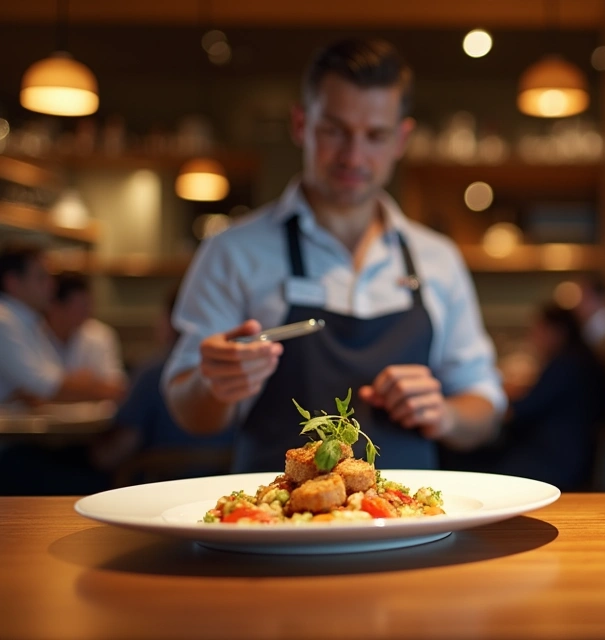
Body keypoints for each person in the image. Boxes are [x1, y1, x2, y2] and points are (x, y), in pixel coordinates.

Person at [163, 38, 505, 472]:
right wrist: (215, 384)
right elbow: (186, 408)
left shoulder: (438, 258)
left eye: (375, 136)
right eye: (334, 130)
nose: (353, 156)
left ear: (402, 138)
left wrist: (447, 413)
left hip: (408, 522)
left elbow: (485, 406)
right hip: (273, 525)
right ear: (301, 124)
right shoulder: (232, 251)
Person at [440, 304, 605, 491]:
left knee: (466, 459)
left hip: (553, 460)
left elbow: (525, 410)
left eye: (538, 330)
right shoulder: (579, 359)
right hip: (569, 453)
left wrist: (490, 402)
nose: (534, 338)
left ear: (557, 331)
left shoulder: (566, 365)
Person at [93, 285, 235, 480]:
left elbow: (122, 445)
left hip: (156, 487)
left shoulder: (154, 372)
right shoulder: (237, 370)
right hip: (222, 486)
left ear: (172, 320)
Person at [0, 244, 125, 406]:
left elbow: (53, 380)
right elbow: (46, 387)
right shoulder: (4, 322)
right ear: (12, 282)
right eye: (41, 277)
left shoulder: (27, 321)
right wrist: (104, 389)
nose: (51, 285)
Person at [43, 272, 126, 387]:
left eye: (87, 304)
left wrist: (61, 384)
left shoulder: (100, 334)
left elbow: (115, 386)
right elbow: (29, 392)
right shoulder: (34, 334)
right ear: (55, 306)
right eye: (80, 306)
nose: (88, 311)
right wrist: (81, 381)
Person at [573, 272, 605, 349]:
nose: (579, 303)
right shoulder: (590, 324)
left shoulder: (604, 325)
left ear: (599, 297)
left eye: (585, 297)